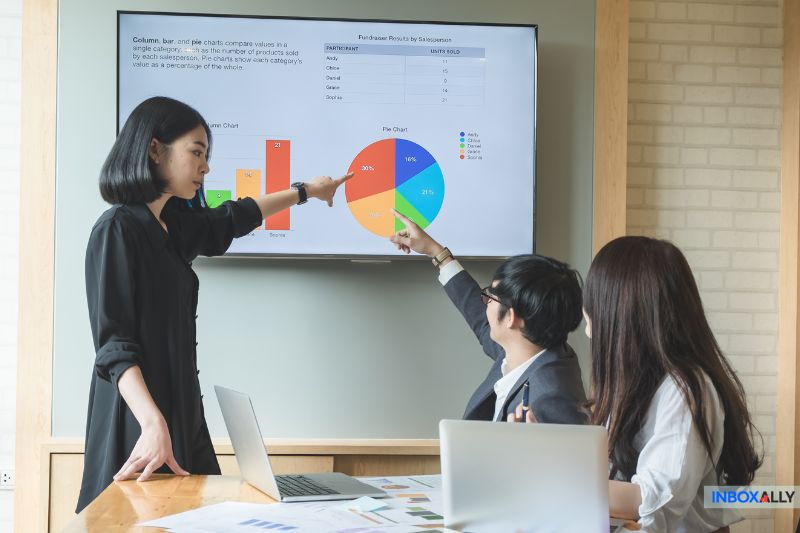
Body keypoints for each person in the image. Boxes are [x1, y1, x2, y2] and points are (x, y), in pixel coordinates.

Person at [76, 96, 352, 512]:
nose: (205, 166)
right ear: (154, 149)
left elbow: (234, 217)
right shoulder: (117, 229)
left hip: (182, 412)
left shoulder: (174, 226)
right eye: (197, 152)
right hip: (139, 419)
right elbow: (115, 346)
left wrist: (306, 191)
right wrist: (152, 424)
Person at [511, 236, 762, 532]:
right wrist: (545, 452)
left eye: (594, 298)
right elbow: (611, 477)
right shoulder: (634, 381)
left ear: (619, 309)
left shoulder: (686, 391)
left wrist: (549, 472)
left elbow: (651, 499)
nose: (586, 311)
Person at [389, 210, 587, 424]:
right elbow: (479, 317)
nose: (485, 304)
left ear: (511, 318)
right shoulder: (529, 349)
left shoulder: (551, 398)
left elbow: (563, 457)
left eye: (490, 297)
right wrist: (436, 252)